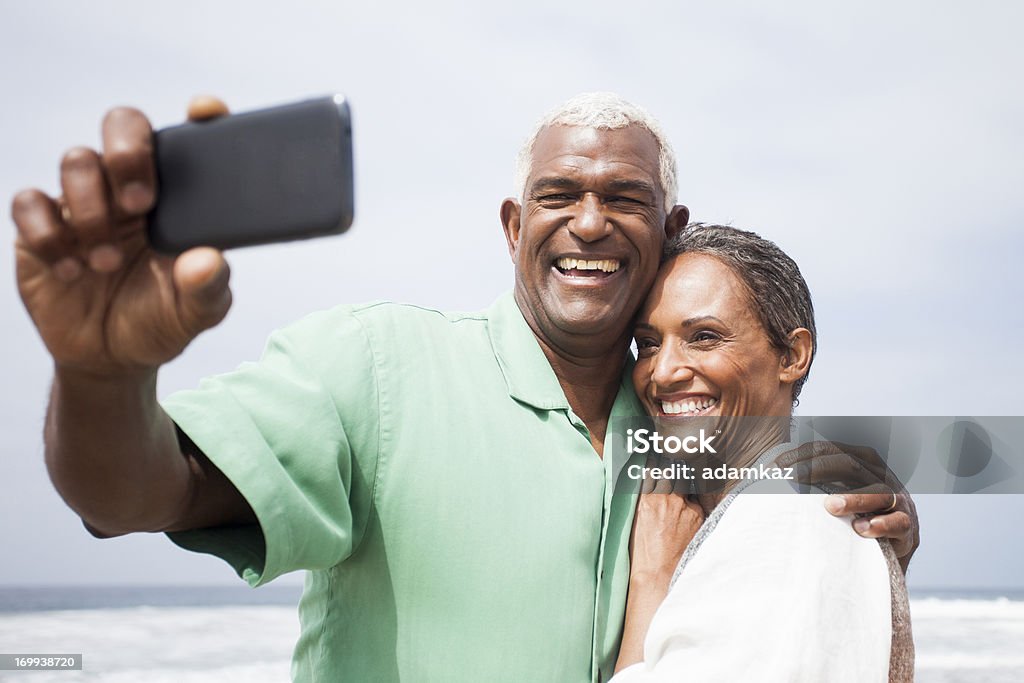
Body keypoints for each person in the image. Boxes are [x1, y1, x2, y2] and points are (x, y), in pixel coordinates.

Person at [11, 93, 918, 682]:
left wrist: (866, 529)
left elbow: (788, 577)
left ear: (669, 226)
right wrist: (102, 374)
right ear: (514, 223)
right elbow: (133, 490)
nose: (589, 222)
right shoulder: (379, 367)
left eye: (625, 198)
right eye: (559, 194)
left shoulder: (686, 426)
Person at [612, 224, 913, 682]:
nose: (663, 371)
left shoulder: (787, 518)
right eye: (648, 344)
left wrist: (649, 583)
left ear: (792, 355)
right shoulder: (751, 510)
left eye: (705, 337)